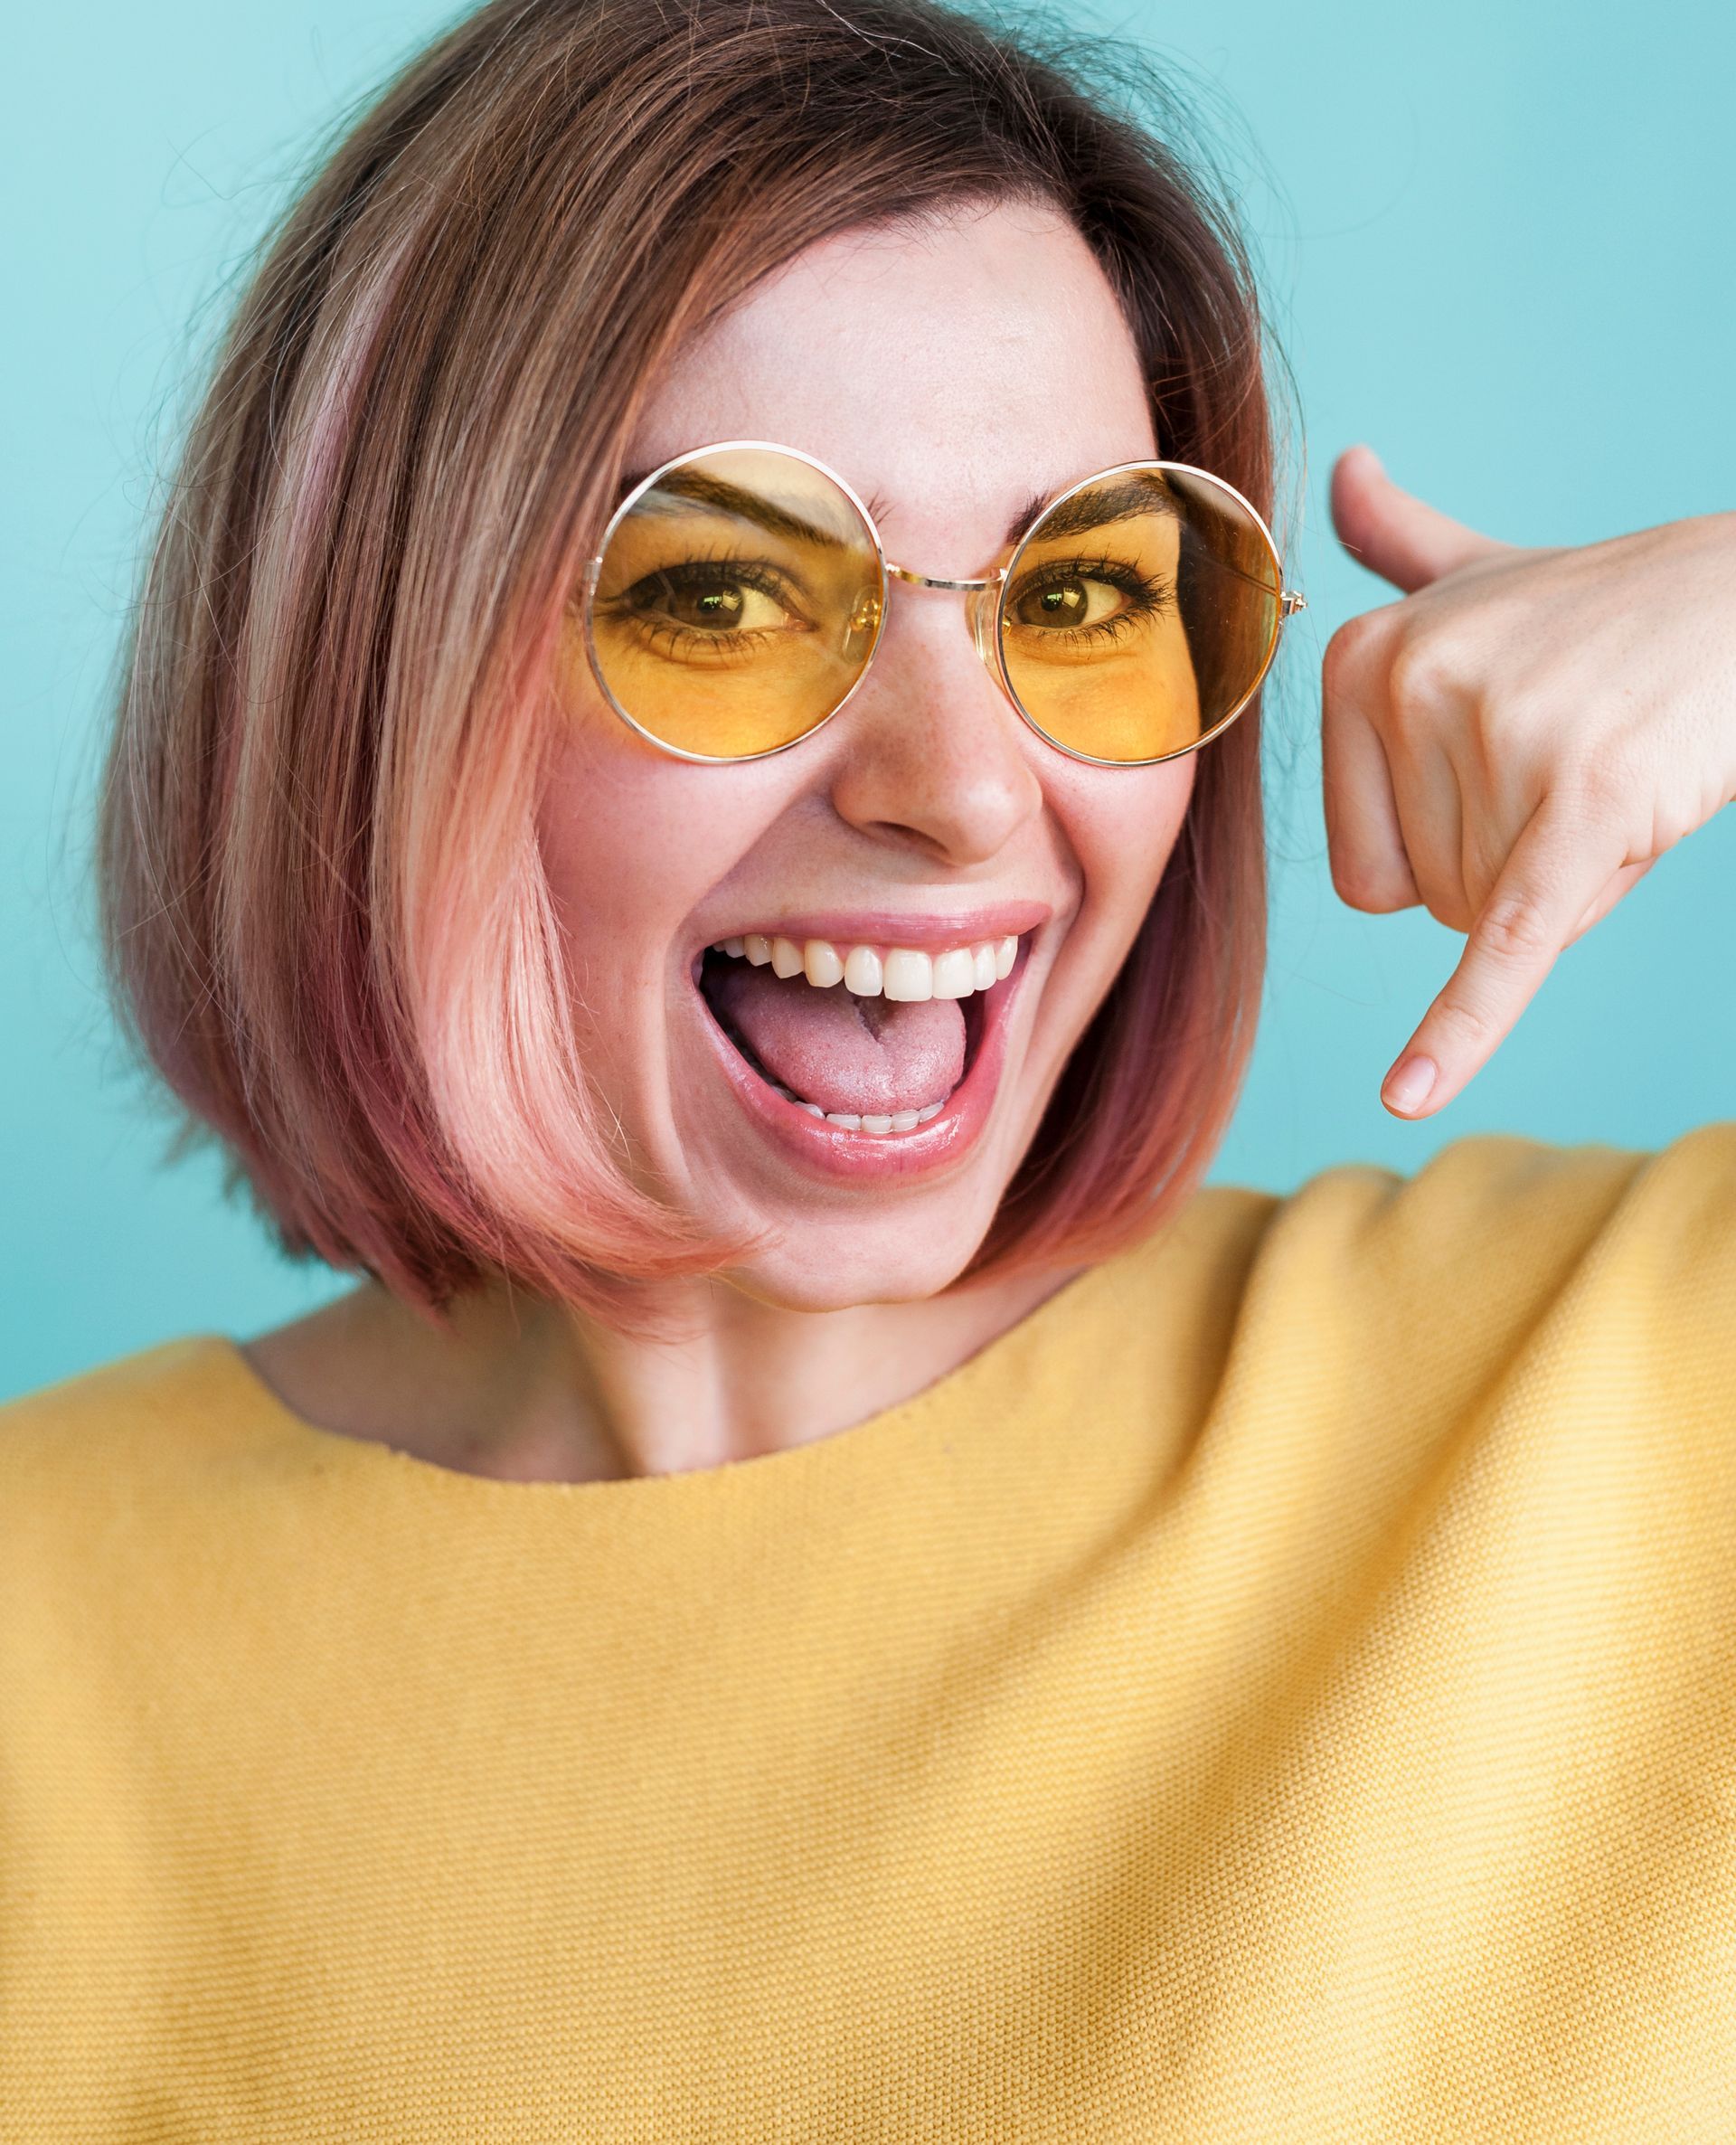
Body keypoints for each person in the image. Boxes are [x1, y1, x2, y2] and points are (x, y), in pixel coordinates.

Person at [4, 0, 1732, 2134]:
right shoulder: (38, 1651)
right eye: (723, 590)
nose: (970, 794)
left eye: (1083, 586)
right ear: (376, 681)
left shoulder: (1632, 1390)